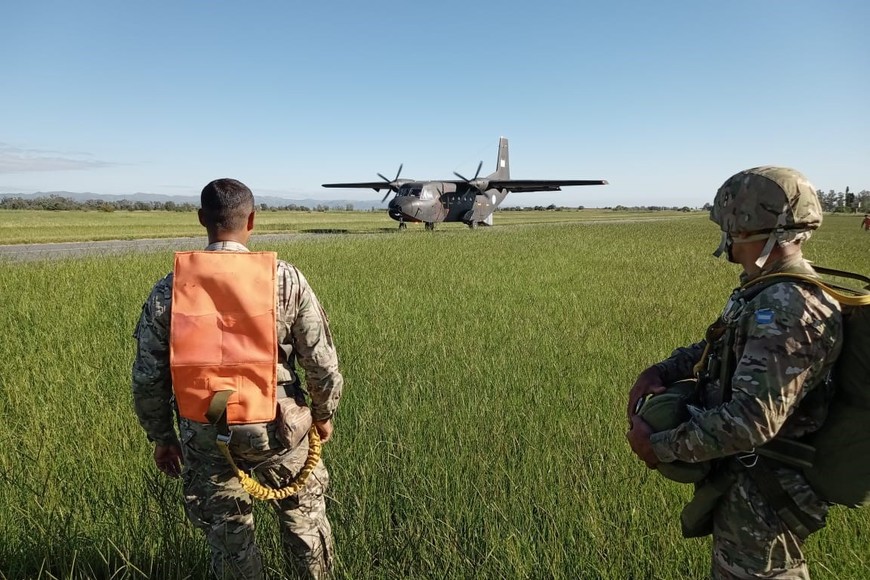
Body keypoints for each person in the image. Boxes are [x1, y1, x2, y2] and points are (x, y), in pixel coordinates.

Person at [626, 166, 843, 579]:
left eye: (729, 226)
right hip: (743, 490)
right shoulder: (763, 289)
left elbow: (751, 421)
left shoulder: (788, 307)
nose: (724, 238)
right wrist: (663, 369)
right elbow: (721, 346)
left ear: (746, 229)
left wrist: (660, 446)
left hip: (765, 502)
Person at [132, 178, 343, 580]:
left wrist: (162, 438)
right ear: (251, 220)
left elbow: (147, 376)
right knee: (304, 520)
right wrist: (322, 413)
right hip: (279, 425)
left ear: (201, 220)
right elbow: (320, 361)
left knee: (230, 536)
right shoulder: (286, 280)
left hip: (208, 422)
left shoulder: (169, 289)